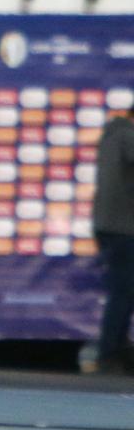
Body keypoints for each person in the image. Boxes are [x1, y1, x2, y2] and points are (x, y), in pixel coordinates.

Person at [89, 101, 134, 374]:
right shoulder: (128, 137)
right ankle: (110, 352)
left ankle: (114, 349)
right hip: (124, 227)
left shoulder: (111, 136)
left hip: (108, 225)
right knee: (122, 292)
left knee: (123, 291)